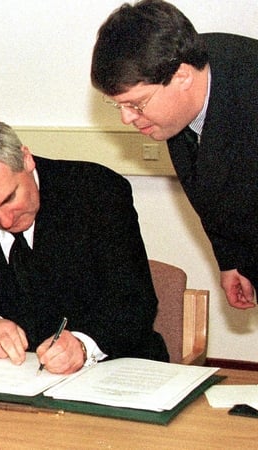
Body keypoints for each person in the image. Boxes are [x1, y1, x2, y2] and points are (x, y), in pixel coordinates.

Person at [0, 120, 168, 374]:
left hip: (113, 370)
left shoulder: (97, 192)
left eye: (9, 199)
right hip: (9, 380)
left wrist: (83, 345)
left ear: (26, 160)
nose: (5, 220)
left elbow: (135, 303)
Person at [91, 0, 258, 310]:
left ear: (182, 77)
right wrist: (232, 259)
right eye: (119, 106)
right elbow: (211, 186)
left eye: (136, 104)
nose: (127, 119)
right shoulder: (180, 77)